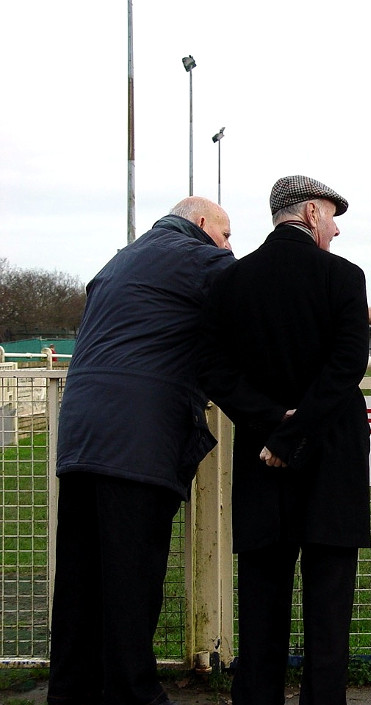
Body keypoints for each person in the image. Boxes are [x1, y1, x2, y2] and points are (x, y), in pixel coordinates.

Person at [49, 197, 235, 705]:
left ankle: (71, 693)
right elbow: (263, 293)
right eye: (226, 235)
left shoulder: (123, 259)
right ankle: (135, 695)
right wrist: (361, 309)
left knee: (80, 584)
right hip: (138, 440)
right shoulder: (195, 256)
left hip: (84, 435)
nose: (229, 247)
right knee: (132, 582)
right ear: (201, 225)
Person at [199, 175, 370, 705]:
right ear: (313, 214)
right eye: (333, 218)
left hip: (261, 457)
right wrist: (297, 430)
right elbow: (347, 367)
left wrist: (275, 425)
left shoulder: (229, 281)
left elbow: (214, 369)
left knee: (261, 602)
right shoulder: (343, 277)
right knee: (328, 608)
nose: (336, 230)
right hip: (331, 459)